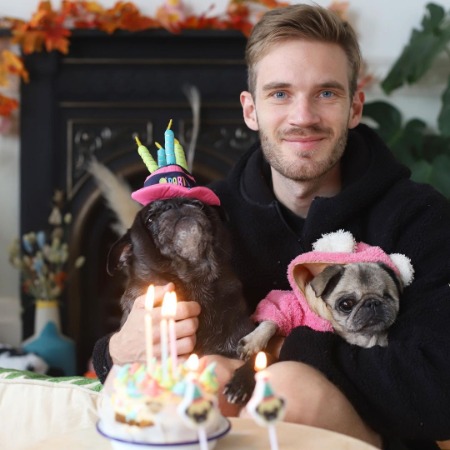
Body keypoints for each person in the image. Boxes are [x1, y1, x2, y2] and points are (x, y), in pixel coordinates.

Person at [92, 4, 450, 449]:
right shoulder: (204, 221)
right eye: (280, 93)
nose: (303, 116)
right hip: (228, 419)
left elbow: (441, 387)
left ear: (355, 107)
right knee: (193, 381)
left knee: (284, 391)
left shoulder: (418, 217)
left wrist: (286, 350)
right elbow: (134, 356)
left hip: (370, 436)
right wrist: (117, 350)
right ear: (250, 109)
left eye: (326, 93)